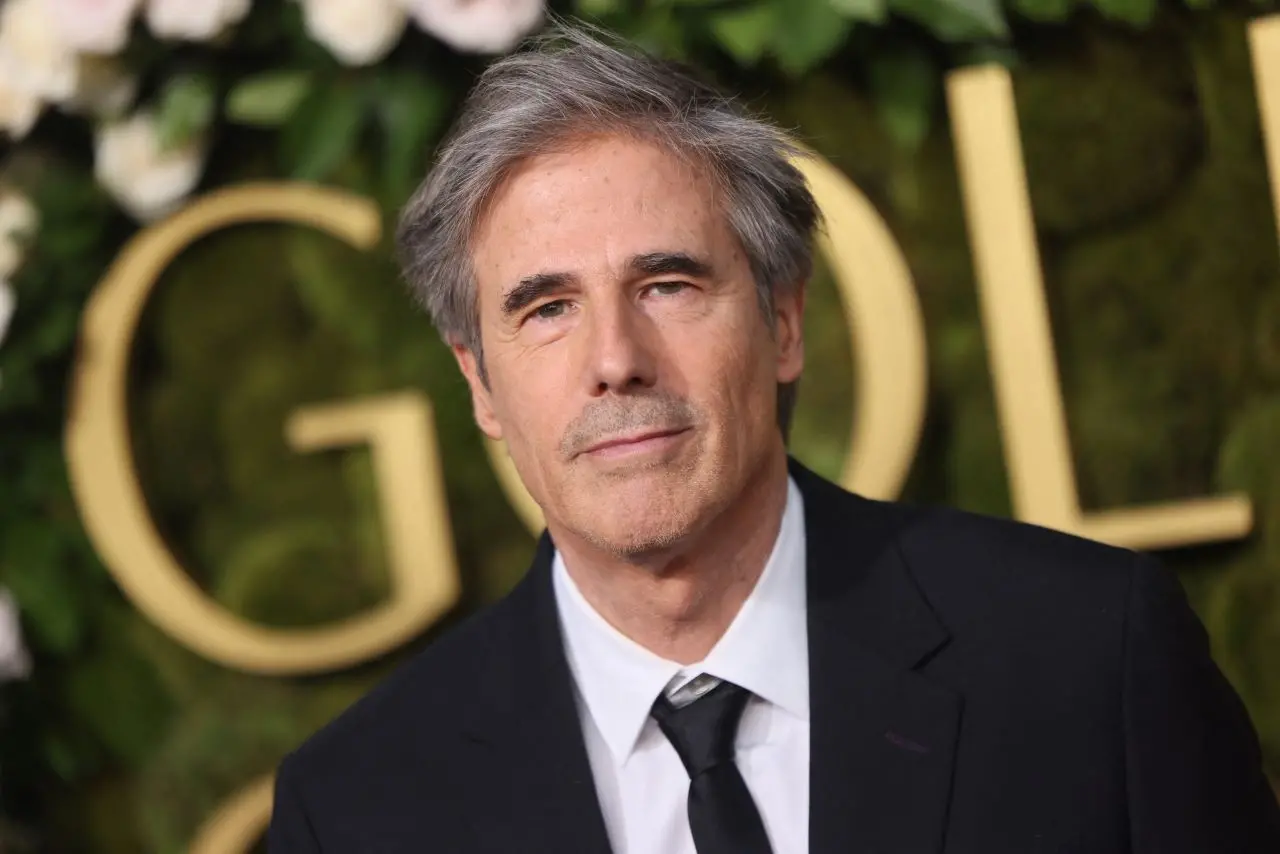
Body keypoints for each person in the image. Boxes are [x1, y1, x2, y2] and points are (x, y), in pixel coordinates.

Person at [266, 24, 1280, 854]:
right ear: (479, 383)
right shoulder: (353, 809)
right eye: (546, 309)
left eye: (667, 285)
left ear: (783, 322)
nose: (615, 359)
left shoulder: (1086, 656)